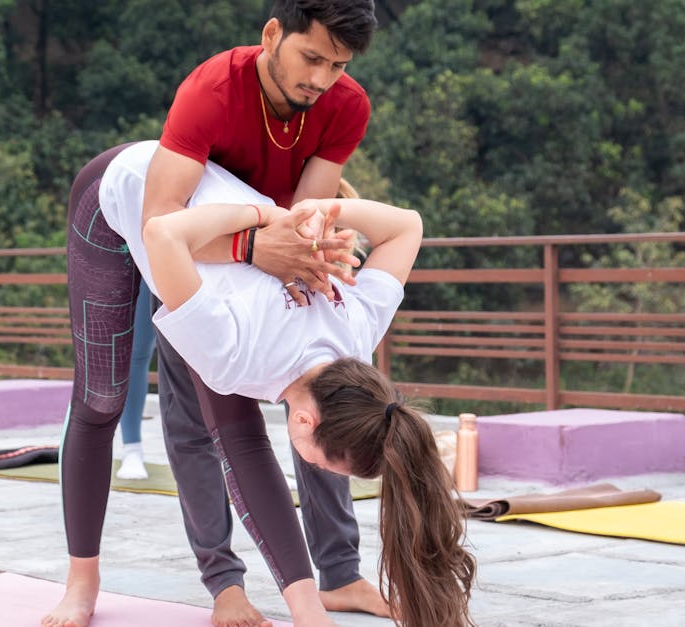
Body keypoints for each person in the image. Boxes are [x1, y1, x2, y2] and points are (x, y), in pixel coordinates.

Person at [47, 141, 474, 627]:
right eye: (320, 462)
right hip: (123, 185)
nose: (315, 469)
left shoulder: (358, 331)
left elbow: (406, 226)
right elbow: (160, 230)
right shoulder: (237, 351)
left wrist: (314, 211)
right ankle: (82, 583)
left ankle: (309, 607)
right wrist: (277, 216)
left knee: (236, 433)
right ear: (308, 420)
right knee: (101, 399)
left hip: (196, 235)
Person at [145, 2, 386, 624]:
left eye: (338, 65)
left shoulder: (346, 104)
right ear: (272, 34)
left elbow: (309, 214)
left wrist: (323, 247)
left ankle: (340, 575)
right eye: (312, 58)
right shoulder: (211, 92)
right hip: (197, 264)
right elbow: (158, 226)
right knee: (197, 427)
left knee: (333, 399)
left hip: (281, 259)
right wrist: (253, 247)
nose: (322, 79)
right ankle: (225, 584)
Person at [115, 279, 155, 481]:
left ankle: (204, 448)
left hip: (195, 255)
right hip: (140, 257)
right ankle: (132, 448)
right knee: (136, 352)